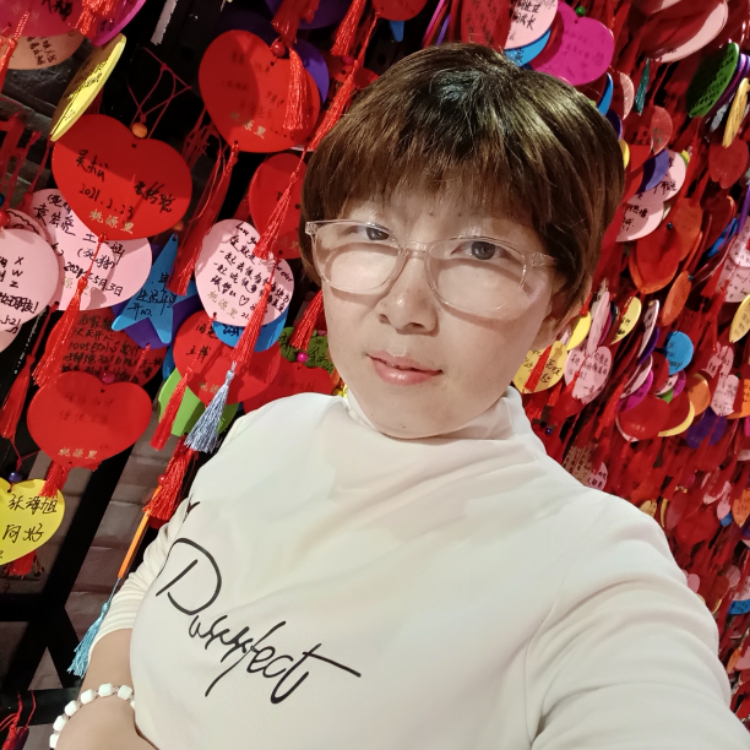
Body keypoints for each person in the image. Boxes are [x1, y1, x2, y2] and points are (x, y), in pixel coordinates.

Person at [58, 44, 750, 750]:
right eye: (373, 233)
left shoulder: (594, 570)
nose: (404, 306)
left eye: (482, 252)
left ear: (557, 311)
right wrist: (104, 705)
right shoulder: (272, 430)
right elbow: (164, 569)